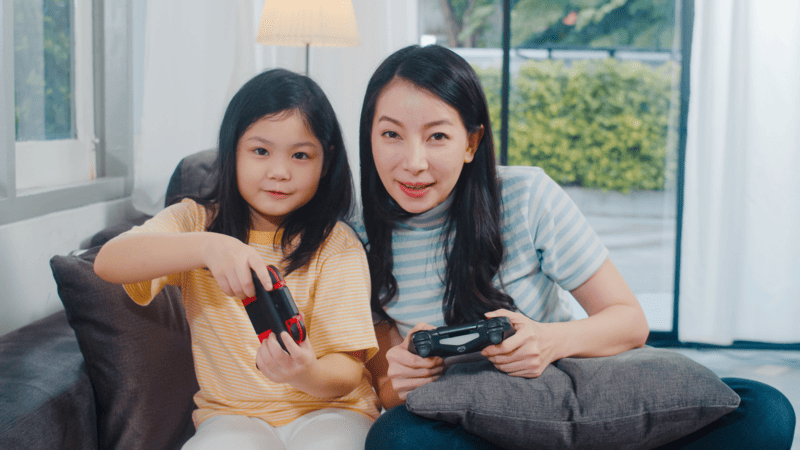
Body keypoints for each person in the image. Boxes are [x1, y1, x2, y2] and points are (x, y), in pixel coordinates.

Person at [357, 44, 796, 450]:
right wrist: (409, 375)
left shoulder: (525, 196)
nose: (413, 163)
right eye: (391, 135)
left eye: (437, 136)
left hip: (572, 398)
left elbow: (629, 321)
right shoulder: (358, 237)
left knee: (765, 410)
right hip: (477, 423)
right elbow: (388, 392)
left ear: (471, 143)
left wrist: (548, 341)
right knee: (396, 438)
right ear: (369, 138)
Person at [94, 68, 379, 450]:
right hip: (231, 417)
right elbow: (109, 262)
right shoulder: (195, 221)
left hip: (333, 411)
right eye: (261, 151)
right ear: (232, 152)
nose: (279, 172)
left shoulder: (337, 244)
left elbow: (346, 373)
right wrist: (208, 247)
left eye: (300, 155)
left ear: (325, 163)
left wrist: (303, 372)